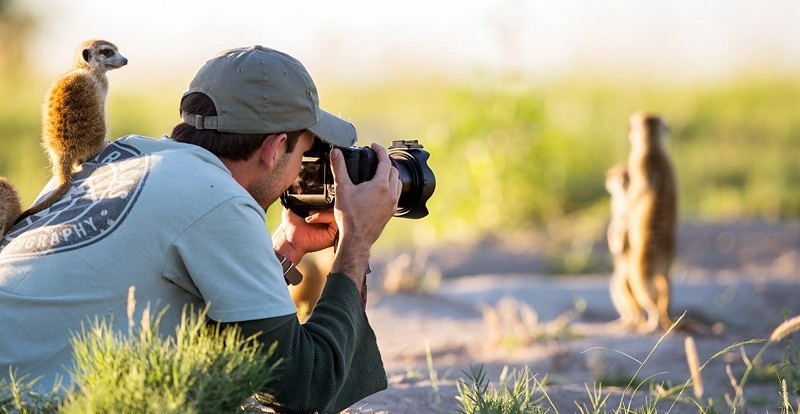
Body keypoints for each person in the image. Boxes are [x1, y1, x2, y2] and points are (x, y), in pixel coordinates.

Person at [0, 45, 400, 412]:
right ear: (275, 148)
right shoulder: (219, 199)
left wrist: (287, 247)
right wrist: (356, 243)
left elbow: (207, 315)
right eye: (304, 152)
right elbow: (303, 387)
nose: (300, 170)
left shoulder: (110, 158)